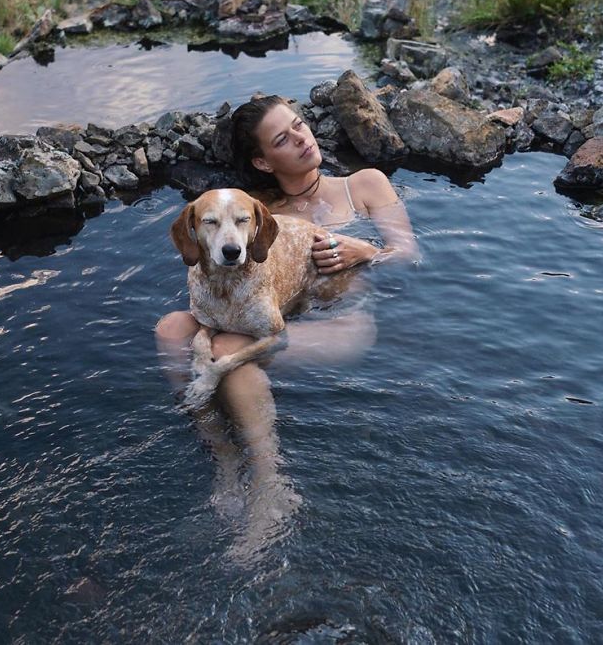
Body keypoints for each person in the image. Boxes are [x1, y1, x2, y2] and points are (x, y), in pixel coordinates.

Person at [155, 94, 419, 557]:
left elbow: (412, 256)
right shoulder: (251, 213)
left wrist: (369, 253)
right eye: (283, 138)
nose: (303, 137)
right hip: (275, 320)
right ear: (262, 160)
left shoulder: (363, 185)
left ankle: (270, 483)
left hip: (340, 322)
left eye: (299, 124)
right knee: (172, 328)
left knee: (226, 351)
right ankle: (220, 452)